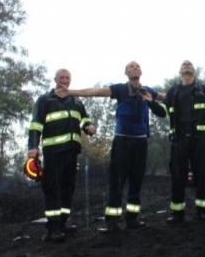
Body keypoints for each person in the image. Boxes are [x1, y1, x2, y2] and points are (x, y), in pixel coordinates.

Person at [55, 61, 161, 232]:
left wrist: (178, 95)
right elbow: (95, 92)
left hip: (141, 141)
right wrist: (71, 91)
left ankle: (132, 219)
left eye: (137, 66)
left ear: (141, 71)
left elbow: (166, 98)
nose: (135, 68)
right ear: (126, 73)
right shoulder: (119, 89)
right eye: (131, 66)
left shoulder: (147, 91)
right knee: (116, 181)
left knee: (136, 180)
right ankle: (112, 222)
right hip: (122, 141)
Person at [28, 69, 97, 242]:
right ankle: (53, 227)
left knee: (68, 186)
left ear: (70, 80)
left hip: (72, 151)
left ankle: (63, 222)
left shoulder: (76, 100)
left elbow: (83, 119)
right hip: (52, 151)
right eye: (61, 78)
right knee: (52, 187)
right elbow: (36, 124)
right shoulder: (45, 100)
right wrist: (33, 147)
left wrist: (88, 127)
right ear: (55, 80)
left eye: (67, 78)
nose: (64, 80)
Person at [144, 60, 205, 224]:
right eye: (184, 64)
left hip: (198, 140)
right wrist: (151, 102)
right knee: (177, 177)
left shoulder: (202, 89)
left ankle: (203, 212)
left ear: (194, 71)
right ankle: (177, 214)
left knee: (201, 176)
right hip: (178, 141)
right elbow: (162, 112)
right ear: (180, 71)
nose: (187, 65)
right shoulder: (172, 91)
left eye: (189, 64)